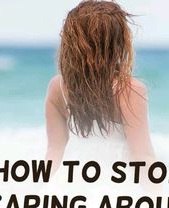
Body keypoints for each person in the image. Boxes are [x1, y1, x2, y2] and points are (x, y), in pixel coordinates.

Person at [45, 0, 155, 185]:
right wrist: (161, 203)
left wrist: (34, 192)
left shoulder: (58, 87)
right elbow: (142, 156)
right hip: (113, 188)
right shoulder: (129, 90)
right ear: (119, 42)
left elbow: (54, 151)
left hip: (69, 186)